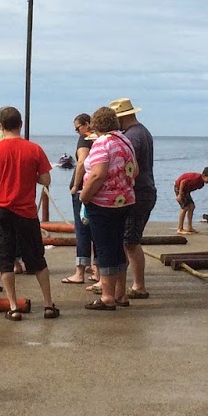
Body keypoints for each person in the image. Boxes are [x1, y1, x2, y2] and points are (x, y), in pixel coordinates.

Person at [0, 105, 58, 320]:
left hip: (2, 210)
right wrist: (31, 176)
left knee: (4, 259)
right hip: (27, 212)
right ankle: (48, 304)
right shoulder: (34, 149)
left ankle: (13, 307)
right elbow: (46, 179)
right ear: (20, 124)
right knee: (37, 259)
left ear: (1, 127)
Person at [80, 105, 137, 311]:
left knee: (104, 249)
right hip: (125, 201)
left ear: (96, 125)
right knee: (118, 246)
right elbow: (135, 170)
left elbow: (98, 174)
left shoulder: (101, 143)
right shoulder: (125, 140)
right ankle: (121, 293)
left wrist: (85, 196)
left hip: (103, 203)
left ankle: (107, 297)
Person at [110, 98, 156, 300]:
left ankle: (138, 286)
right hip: (143, 191)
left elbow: (128, 166)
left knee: (130, 241)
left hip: (139, 193)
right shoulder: (140, 132)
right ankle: (126, 284)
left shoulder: (133, 137)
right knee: (128, 239)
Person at [61, 113, 98, 286]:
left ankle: (80, 271)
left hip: (83, 189)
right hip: (97, 188)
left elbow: (82, 162)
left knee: (82, 229)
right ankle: (98, 270)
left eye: (78, 128)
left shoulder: (85, 139)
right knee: (97, 230)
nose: (77, 132)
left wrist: (75, 186)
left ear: (86, 124)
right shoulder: (100, 138)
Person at [173, 167, 208, 235]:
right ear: (203, 175)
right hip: (179, 187)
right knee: (185, 208)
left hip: (186, 191)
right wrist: (180, 195)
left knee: (192, 206)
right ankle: (180, 229)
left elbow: (189, 187)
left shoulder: (201, 184)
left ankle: (189, 227)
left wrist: (186, 196)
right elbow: (182, 182)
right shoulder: (196, 178)